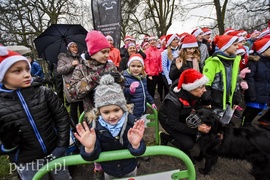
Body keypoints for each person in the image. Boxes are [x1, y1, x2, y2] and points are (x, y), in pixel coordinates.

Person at [0, 46, 71, 179]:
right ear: (2, 75)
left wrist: (61, 146)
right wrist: (8, 146)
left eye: (27, 69)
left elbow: (62, 118)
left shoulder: (44, 92)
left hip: (55, 152)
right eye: (17, 71)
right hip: (27, 161)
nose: (27, 74)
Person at [68, 30, 122, 179]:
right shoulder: (81, 68)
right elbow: (72, 93)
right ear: (92, 51)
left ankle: (118, 163)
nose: (107, 55)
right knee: (96, 142)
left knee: (114, 140)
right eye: (103, 52)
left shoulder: (110, 66)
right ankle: (98, 167)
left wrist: (120, 79)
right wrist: (95, 78)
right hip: (92, 115)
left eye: (108, 51)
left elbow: (122, 88)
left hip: (113, 112)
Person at [74, 74, 146, 180]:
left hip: (130, 168)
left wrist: (136, 145)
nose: (112, 116)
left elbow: (140, 150)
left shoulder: (131, 122)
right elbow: (92, 156)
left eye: (116, 110)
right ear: (99, 112)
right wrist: (90, 148)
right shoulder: (95, 127)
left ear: (123, 108)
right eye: (106, 112)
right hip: (109, 170)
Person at [159, 69, 210, 157]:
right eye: (201, 87)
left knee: (193, 138)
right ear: (190, 88)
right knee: (188, 144)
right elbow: (173, 124)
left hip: (181, 116)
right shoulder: (172, 101)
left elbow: (196, 107)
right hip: (168, 121)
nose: (204, 90)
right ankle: (165, 137)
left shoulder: (192, 94)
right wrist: (196, 129)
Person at [201, 35, 242, 112]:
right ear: (226, 46)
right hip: (215, 103)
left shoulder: (234, 61)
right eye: (235, 44)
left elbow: (236, 82)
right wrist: (206, 100)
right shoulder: (213, 62)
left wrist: (237, 99)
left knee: (225, 122)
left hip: (229, 102)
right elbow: (206, 83)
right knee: (215, 123)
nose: (238, 47)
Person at [241, 38, 270, 127]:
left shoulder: (268, 62)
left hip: (264, 92)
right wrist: (251, 94)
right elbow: (250, 78)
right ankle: (243, 127)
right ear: (263, 49)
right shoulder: (254, 62)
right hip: (255, 93)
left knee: (257, 111)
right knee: (250, 111)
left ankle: (248, 126)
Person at [57, 42, 84, 125]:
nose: (75, 48)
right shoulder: (63, 58)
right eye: (72, 47)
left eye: (76, 46)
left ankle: (84, 123)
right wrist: (71, 64)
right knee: (74, 106)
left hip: (81, 84)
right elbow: (60, 70)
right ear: (68, 48)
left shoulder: (80, 57)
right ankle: (75, 125)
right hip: (70, 85)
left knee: (82, 105)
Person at [123, 53, 156, 118]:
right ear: (129, 66)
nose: (136, 68)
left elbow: (145, 92)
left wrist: (152, 102)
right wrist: (130, 90)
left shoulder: (143, 78)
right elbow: (125, 96)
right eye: (133, 66)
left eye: (138, 66)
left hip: (142, 109)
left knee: (141, 125)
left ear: (142, 67)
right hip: (132, 111)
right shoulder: (126, 78)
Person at [144, 36, 162, 100]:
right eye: (151, 40)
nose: (152, 41)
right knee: (150, 89)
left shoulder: (158, 51)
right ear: (149, 43)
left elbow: (160, 61)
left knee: (154, 88)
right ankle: (149, 102)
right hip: (150, 73)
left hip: (157, 73)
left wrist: (160, 70)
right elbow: (146, 62)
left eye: (154, 40)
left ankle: (152, 101)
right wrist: (149, 73)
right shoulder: (147, 51)